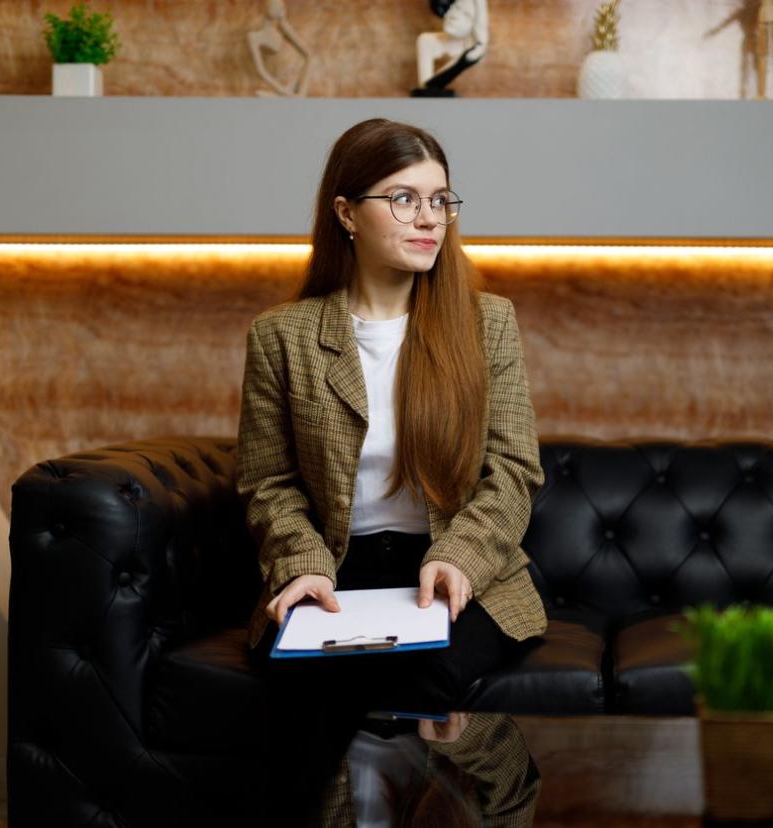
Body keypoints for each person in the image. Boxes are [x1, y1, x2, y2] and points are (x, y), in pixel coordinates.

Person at [233, 117, 547, 824]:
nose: (428, 218)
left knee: (424, 677)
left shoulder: (486, 322)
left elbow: (512, 470)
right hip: (337, 569)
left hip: (456, 569)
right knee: (307, 687)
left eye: (440, 200)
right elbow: (268, 482)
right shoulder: (282, 337)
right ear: (346, 212)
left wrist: (462, 556)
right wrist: (300, 564)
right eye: (404, 198)